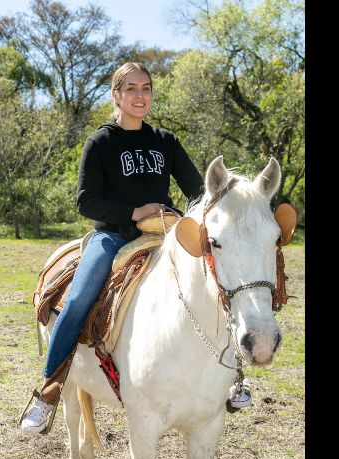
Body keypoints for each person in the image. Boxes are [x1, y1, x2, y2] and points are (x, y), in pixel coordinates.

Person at [21, 62, 203, 433]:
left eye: (146, 88)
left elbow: (198, 190)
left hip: (164, 235)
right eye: (131, 88)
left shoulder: (165, 141)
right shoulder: (101, 143)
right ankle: (49, 390)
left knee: (215, 281)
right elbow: (86, 201)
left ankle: (232, 378)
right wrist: (135, 212)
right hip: (114, 236)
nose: (140, 95)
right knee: (77, 300)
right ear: (116, 95)